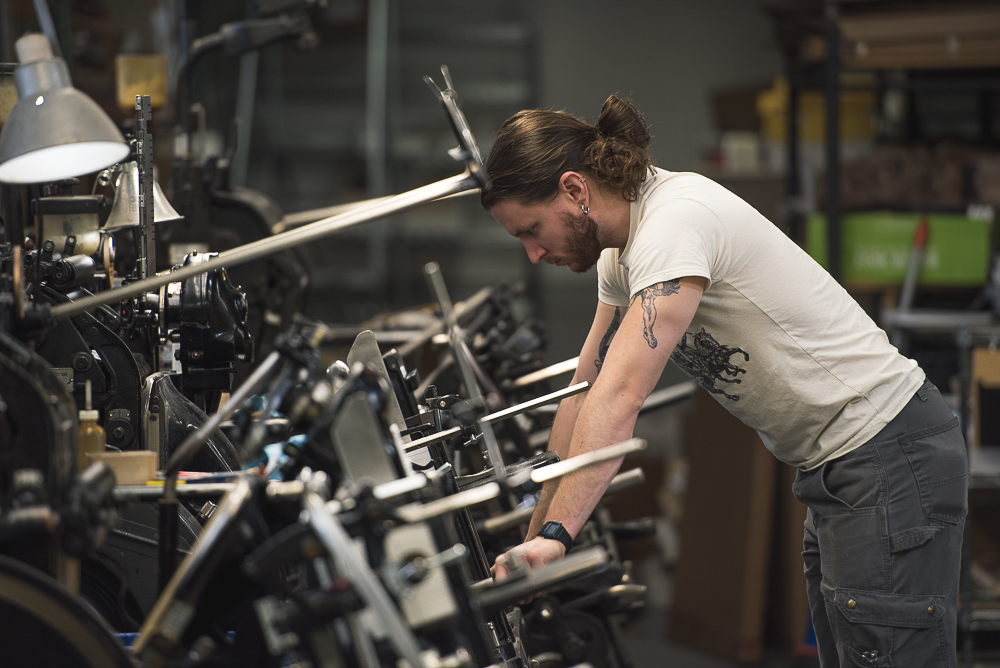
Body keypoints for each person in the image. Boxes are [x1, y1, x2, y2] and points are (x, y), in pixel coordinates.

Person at [480, 94, 968, 667]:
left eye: (530, 231)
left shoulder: (673, 224)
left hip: (887, 455)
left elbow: (621, 396)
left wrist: (560, 537)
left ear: (575, 190)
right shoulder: (622, 252)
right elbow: (582, 393)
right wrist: (536, 541)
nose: (534, 254)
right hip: (841, 467)